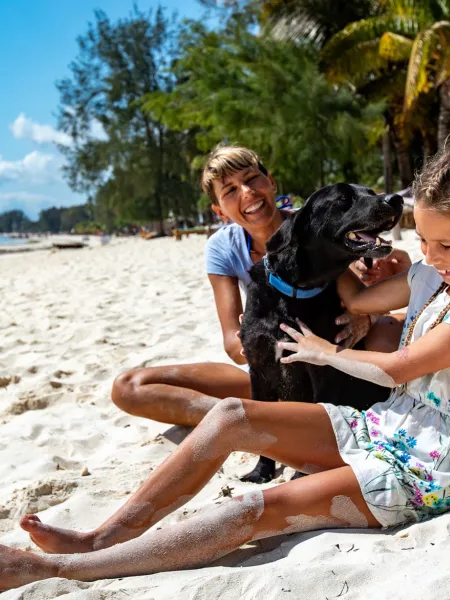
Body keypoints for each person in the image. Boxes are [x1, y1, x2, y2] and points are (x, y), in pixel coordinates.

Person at [0, 147, 450, 590]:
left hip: (427, 465)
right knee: (230, 415)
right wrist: (357, 282)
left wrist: (331, 352)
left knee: (254, 509)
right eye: (423, 241)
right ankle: (99, 537)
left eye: (444, 245)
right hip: (383, 426)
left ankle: (66, 572)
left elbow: (400, 367)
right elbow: (355, 300)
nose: (430, 256)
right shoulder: (430, 277)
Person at [110, 146, 388, 433]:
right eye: (230, 190)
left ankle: (261, 418)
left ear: (271, 182)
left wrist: (366, 319)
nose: (247, 192)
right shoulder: (223, 247)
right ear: (219, 211)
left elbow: (366, 301)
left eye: (252, 178)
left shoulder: (315, 228)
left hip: (328, 370)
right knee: (128, 387)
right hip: (271, 369)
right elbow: (232, 340)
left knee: (387, 333)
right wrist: (263, 342)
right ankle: (257, 417)